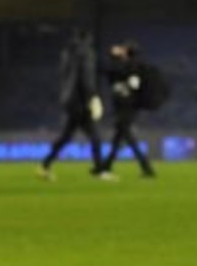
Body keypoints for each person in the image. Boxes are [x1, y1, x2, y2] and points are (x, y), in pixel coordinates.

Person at [39, 29, 105, 180]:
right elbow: (86, 78)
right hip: (81, 101)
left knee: (66, 136)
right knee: (95, 137)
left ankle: (45, 164)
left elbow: (65, 76)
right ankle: (99, 170)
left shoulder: (68, 53)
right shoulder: (86, 53)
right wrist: (93, 96)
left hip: (70, 100)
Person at [98, 41, 157, 180]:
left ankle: (146, 167)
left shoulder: (130, 66)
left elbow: (109, 71)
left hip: (127, 108)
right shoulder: (134, 66)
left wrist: (113, 56)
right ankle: (106, 166)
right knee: (119, 139)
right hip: (128, 108)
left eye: (123, 49)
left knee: (127, 138)